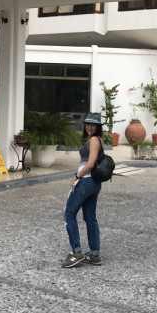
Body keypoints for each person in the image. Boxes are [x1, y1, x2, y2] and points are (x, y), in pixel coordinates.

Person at [62, 112, 104, 268]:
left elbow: (91, 164)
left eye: (93, 125)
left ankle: (76, 252)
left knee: (69, 214)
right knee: (90, 218)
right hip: (94, 184)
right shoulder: (96, 139)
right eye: (87, 124)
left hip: (86, 182)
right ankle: (94, 255)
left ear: (98, 127)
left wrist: (76, 176)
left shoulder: (94, 140)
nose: (89, 127)